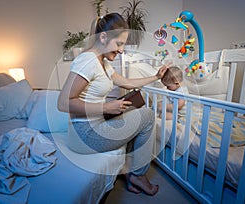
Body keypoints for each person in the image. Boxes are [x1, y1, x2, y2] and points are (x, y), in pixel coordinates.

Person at [57, 13, 169, 196]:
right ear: (103, 37)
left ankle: (132, 171)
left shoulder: (102, 63)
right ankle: (138, 176)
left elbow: (127, 82)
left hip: (91, 128)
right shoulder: (88, 61)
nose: (122, 50)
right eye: (119, 44)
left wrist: (156, 77)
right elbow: (63, 103)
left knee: (139, 114)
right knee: (148, 115)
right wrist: (106, 108)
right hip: (85, 135)